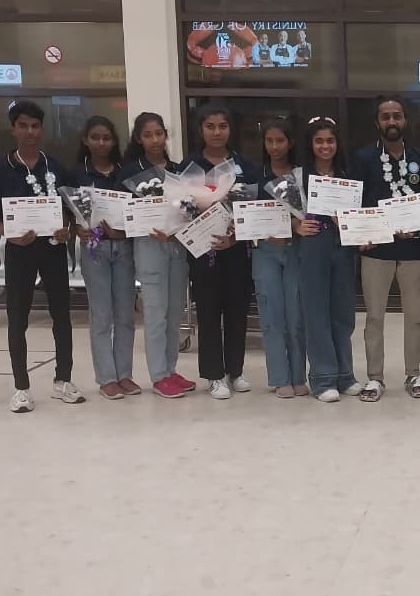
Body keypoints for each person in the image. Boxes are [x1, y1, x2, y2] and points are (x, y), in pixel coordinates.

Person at [0, 100, 82, 413]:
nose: (30, 131)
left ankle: (63, 380)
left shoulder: (56, 167)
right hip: (20, 251)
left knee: (61, 315)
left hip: (53, 250)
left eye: (35, 126)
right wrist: (8, 234)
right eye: (23, 126)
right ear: (13, 129)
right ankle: (21, 387)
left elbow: (70, 209)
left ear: (42, 129)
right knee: (17, 317)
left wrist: (66, 229)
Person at [352, 95, 420, 402]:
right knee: (374, 317)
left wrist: (419, 226)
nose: (392, 121)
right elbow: (356, 203)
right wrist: (362, 233)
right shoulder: (363, 158)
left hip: (413, 251)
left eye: (397, 115)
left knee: (415, 316)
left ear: (405, 120)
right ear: (377, 122)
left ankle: (413, 373)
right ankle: (375, 377)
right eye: (385, 116)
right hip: (376, 251)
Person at [182, 102, 260, 400]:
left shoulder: (245, 166)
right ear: (200, 129)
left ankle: (235, 371)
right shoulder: (189, 167)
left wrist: (235, 236)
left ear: (231, 129)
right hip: (204, 252)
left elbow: (253, 210)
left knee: (237, 311)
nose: (217, 132)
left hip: (237, 250)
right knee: (209, 313)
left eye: (223, 126)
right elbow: (180, 209)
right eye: (210, 126)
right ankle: (214, 375)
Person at [122, 112, 195, 399]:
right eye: (148, 135)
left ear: (166, 134)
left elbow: (189, 210)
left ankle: (170, 369)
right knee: (155, 313)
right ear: (139, 139)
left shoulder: (179, 170)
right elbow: (124, 214)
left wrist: (179, 227)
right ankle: (158, 375)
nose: (154, 139)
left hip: (177, 245)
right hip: (149, 245)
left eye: (159, 133)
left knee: (175, 312)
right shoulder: (130, 173)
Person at [294, 116, 361, 402]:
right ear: (310, 144)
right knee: (316, 310)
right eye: (319, 141)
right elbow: (280, 212)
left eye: (330, 141)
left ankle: (345, 374)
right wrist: (295, 226)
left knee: (343, 310)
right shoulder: (297, 177)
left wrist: (352, 222)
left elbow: (359, 214)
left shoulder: (347, 175)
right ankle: (323, 379)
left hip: (343, 245)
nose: (325, 146)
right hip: (313, 245)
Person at [73, 116, 138, 401]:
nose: (101, 142)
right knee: (101, 316)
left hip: (123, 249)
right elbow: (68, 214)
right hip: (95, 250)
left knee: (125, 315)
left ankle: (124, 374)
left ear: (114, 141)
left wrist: (124, 230)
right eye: (95, 137)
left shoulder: (126, 173)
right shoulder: (77, 174)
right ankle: (107, 378)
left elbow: (136, 213)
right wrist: (77, 229)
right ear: (85, 140)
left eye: (107, 138)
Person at [254, 119, 309, 399]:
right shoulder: (255, 176)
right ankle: (279, 377)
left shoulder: (302, 175)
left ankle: (298, 375)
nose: (274, 147)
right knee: (272, 314)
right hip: (265, 251)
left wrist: (293, 227)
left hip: (296, 250)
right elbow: (245, 217)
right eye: (269, 141)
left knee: (296, 315)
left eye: (280, 141)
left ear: (290, 142)